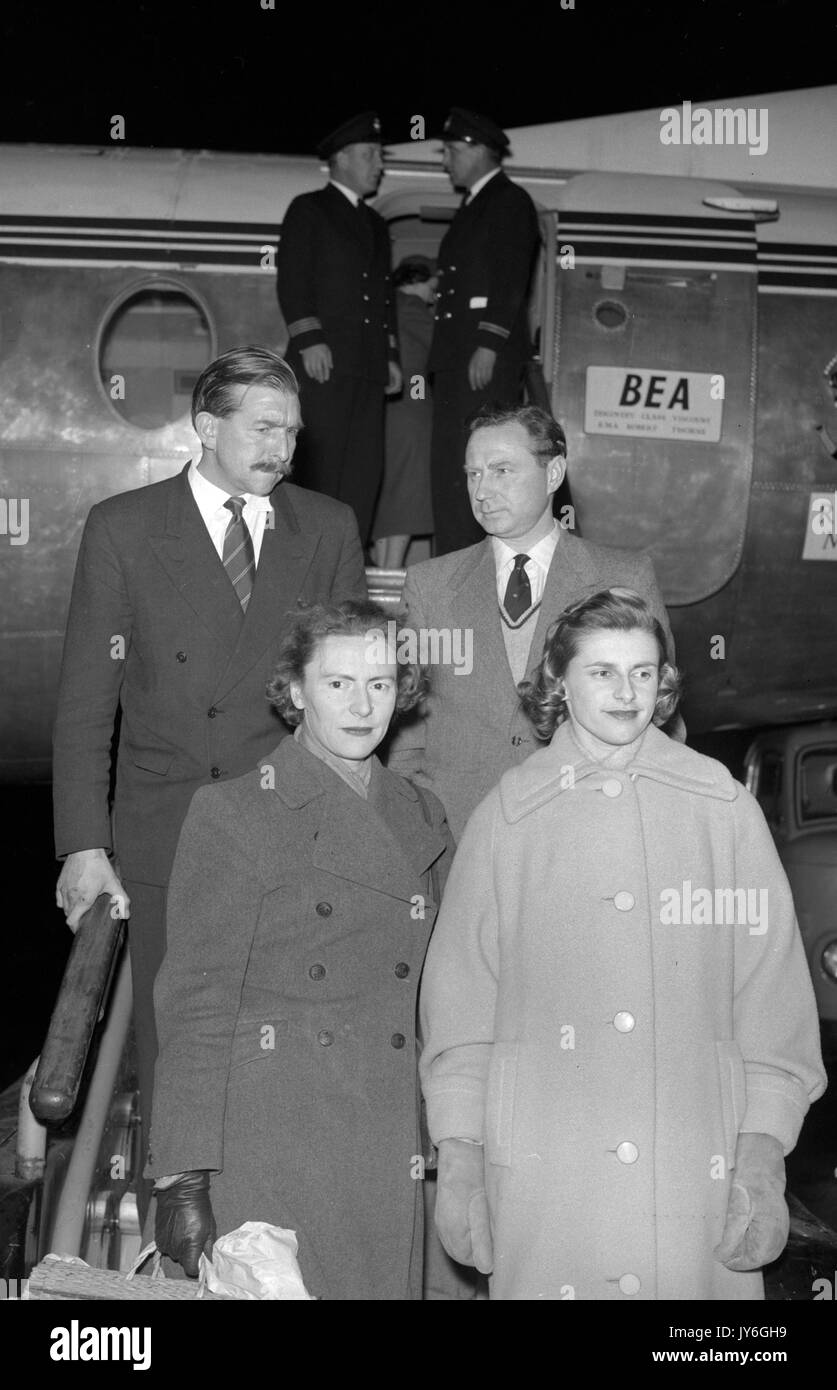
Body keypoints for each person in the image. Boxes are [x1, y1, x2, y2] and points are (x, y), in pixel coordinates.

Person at [419, 588, 827, 1301]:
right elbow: (459, 1013)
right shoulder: (507, 818)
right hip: (548, 1178)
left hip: (692, 1165)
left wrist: (761, 1157)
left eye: (642, 672)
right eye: (600, 671)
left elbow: (772, 1001)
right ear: (558, 682)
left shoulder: (719, 806)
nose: (625, 691)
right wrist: (458, 1159)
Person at [53, 346, 367, 1139]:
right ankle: (182, 1236)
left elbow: (345, 696)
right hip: (169, 834)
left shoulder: (326, 528)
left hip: (290, 829)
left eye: (292, 433)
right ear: (205, 427)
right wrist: (84, 847)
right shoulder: (124, 529)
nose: (283, 449)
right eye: (264, 428)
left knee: (288, 1041)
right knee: (178, 1049)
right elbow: (88, 704)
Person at [148, 601, 452, 1301]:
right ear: (294, 692)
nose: (361, 704)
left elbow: (442, 982)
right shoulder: (235, 811)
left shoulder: (422, 812)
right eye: (337, 683)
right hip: (275, 1132)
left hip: (385, 1126)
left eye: (378, 684)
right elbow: (196, 1001)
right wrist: (184, 1174)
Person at [386, 402, 681, 842]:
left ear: (553, 474)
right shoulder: (431, 584)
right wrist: (418, 828)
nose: (482, 490)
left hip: (585, 835)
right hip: (457, 839)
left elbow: (661, 717)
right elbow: (408, 729)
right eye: (473, 474)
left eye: (502, 470)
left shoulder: (624, 579)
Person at [276, 111, 401, 543]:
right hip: (323, 363)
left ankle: (348, 558)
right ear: (342, 158)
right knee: (320, 467)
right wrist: (310, 339)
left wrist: (390, 356)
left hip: (366, 366)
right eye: (370, 155)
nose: (378, 165)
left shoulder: (376, 225)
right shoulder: (309, 210)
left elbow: (384, 299)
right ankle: (300, 557)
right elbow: (292, 280)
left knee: (363, 471)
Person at [429, 108, 540, 555]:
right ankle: (455, 559)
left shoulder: (508, 201)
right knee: (457, 464)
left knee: (480, 463)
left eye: (453, 151)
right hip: (458, 357)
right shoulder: (476, 202)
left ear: (479, 150)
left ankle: (471, 563)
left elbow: (510, 279)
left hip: (479, 358)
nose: (446, 162)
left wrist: (488, 343)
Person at [371, 255, 437, 569]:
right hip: (414, 407)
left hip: (390, 409)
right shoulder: (413, 307)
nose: (434, 296)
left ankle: (384, 569)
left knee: (390, 491)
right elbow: (440, 351)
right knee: (409, 492)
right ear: (415, 281)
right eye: (431, 287)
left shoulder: (386, 306)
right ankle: (392, 569)